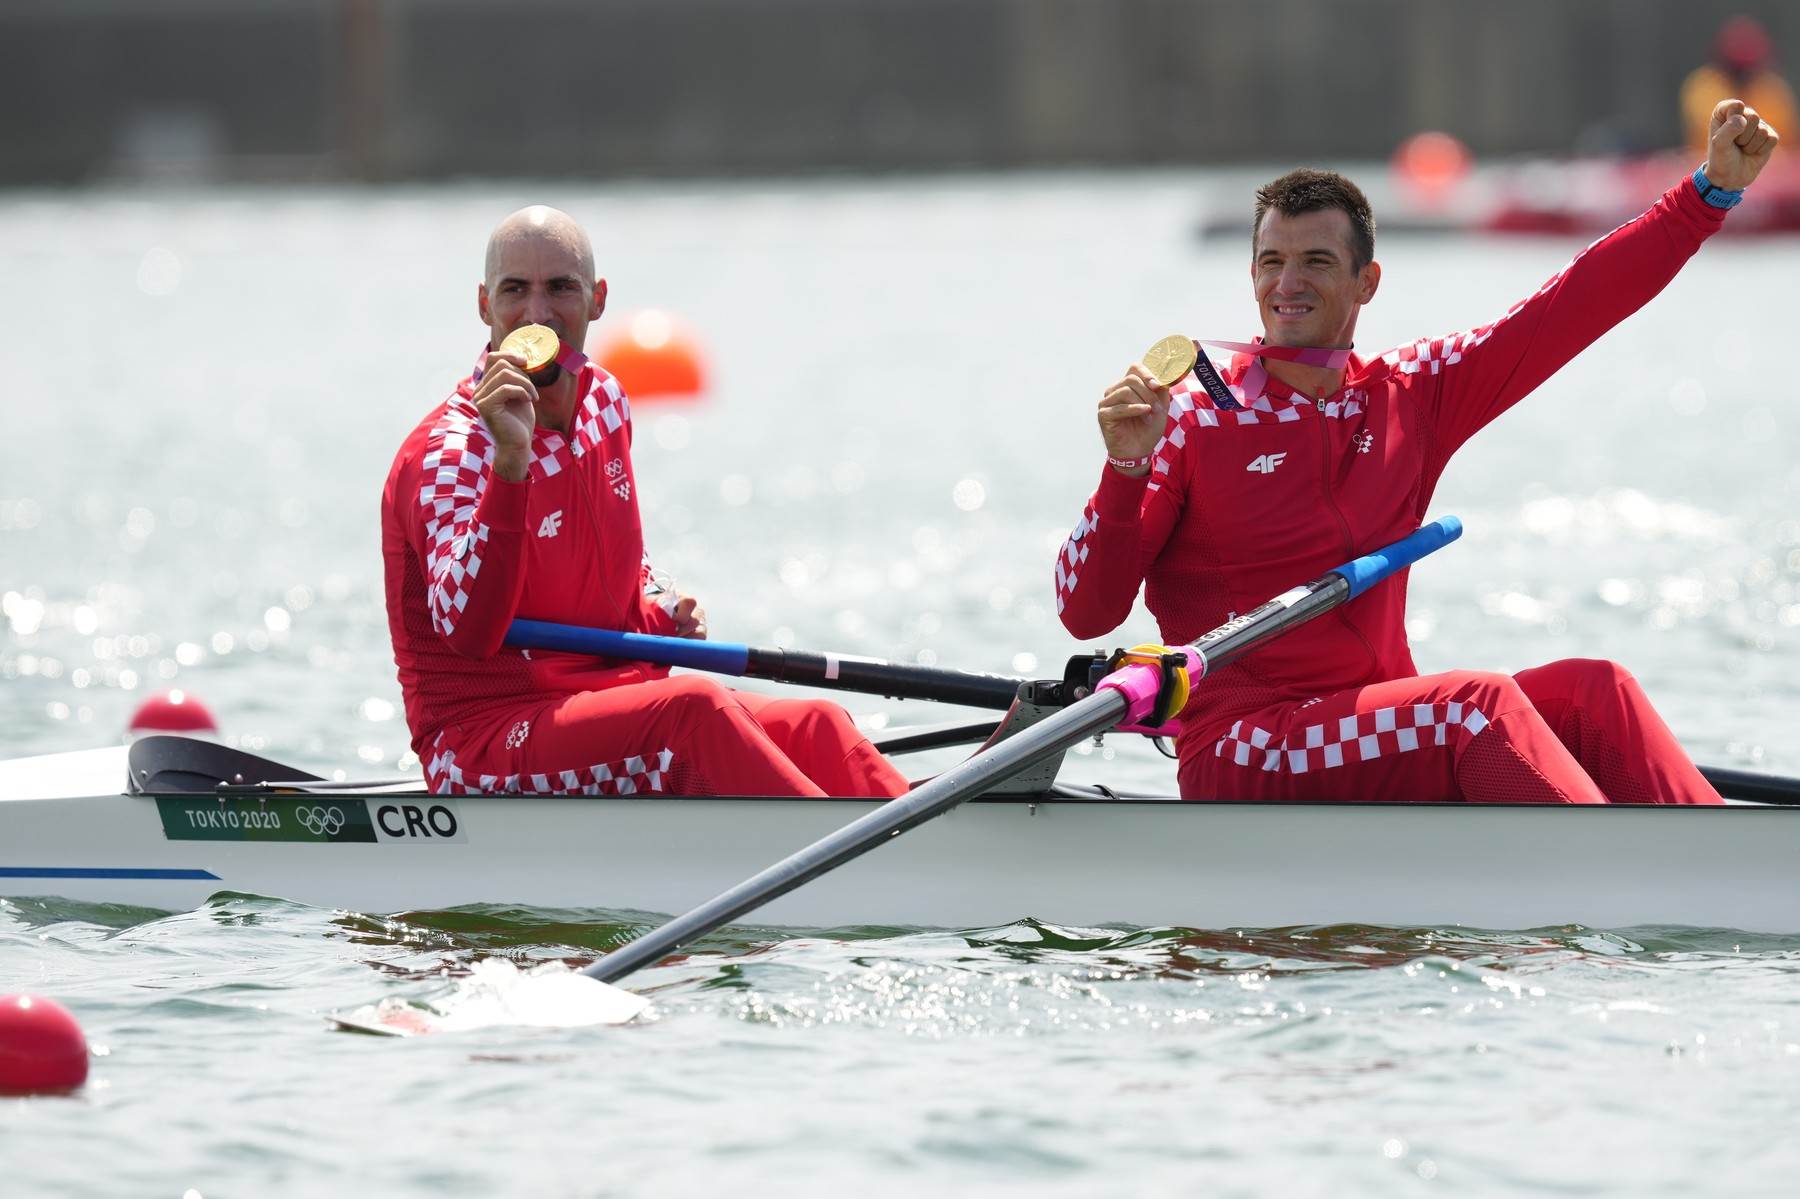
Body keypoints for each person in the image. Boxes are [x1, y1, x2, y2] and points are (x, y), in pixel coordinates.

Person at [1055, 101, 1780, 805]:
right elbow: (1087, 611)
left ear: (1367, 282)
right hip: (1244, 742)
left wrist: (1705, 196)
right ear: (1251, 277)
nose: (1288, 283)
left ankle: (1721, 877)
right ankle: (1614, 882)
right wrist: (1124, 470)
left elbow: (1570, 306)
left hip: (1363, 720)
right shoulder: (1190, 420)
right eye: (1271, 261)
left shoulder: (1412, 392)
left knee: (1599, 693)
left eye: (1315, 261)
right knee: (1474, 706)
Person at [381, 206, 909, 799]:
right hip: (483, 740)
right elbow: (468, 630)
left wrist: (660, 606)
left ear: (597, 299)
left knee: (818, 723)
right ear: (484, 306)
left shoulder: (605, 399)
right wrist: (511, 466)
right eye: (514, 291)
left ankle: (927, 839)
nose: (537, 315)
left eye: (560, 288)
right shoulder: (445, 454)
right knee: (695, 709)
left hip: (608, 703)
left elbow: (617, 569)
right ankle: (877, 864)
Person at [1682, 17, 1797, 158]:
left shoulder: (1770, 88)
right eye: (1738, 69)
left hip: (1769, 169)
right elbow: (1710, 137)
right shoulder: (1706, 87)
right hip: (1711, 166)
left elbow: (1784, 138)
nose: (1744, 76)